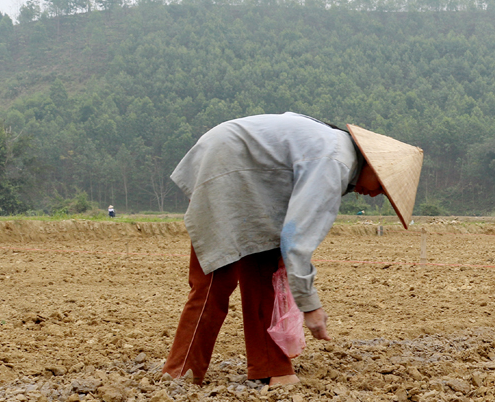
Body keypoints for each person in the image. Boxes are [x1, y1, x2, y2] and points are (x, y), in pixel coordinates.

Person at [162, 113, 423, 387]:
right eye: (382, 186)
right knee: (217, 277)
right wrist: (310, 307)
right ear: (371, 164)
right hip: (228, 165)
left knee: (266, 269)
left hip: (250, 176)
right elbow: (297, 239)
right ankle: (180, 374)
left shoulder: (337, 154)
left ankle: (272, 368)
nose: (376, 194)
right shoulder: (333, 163)